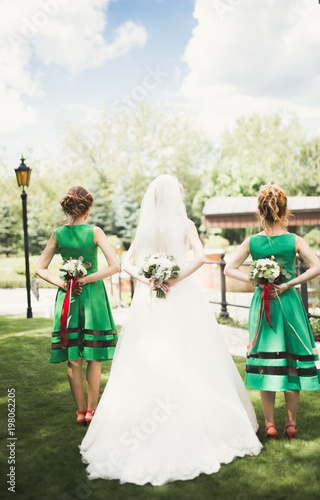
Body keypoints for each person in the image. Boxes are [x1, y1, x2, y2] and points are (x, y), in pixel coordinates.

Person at [79, 174, 262, 486]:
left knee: (149, 355)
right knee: (192, 353)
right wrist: (176, 278)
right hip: (182, 295)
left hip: (151, 299)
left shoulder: (146, 229)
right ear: (175, 198)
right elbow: (202, 258)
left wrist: (150, 280)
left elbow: (127, 263)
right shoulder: (186, 225)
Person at [224, 184, 320, 440]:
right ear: (284, 210)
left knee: (266, 362)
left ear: (260, 210)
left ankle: (269, 423)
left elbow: (228, 268)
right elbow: (317, 267)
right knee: (291, 360)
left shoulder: (252, 241)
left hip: (263, 304)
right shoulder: (294, 240)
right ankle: (290, 423)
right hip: (289, 303)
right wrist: (289, 283)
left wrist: (256, 282)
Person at [35, 186, 120, 425]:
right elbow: (115, 266)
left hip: (69, 297)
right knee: (93, 355)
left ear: (66, 207)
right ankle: (92, 411)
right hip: (92, 295)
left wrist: (64, 284)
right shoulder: (95, 231)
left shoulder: (58, 233)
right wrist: (86, 278)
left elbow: (39, 268)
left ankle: (80, 411)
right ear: (88, 208)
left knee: (74, 355)